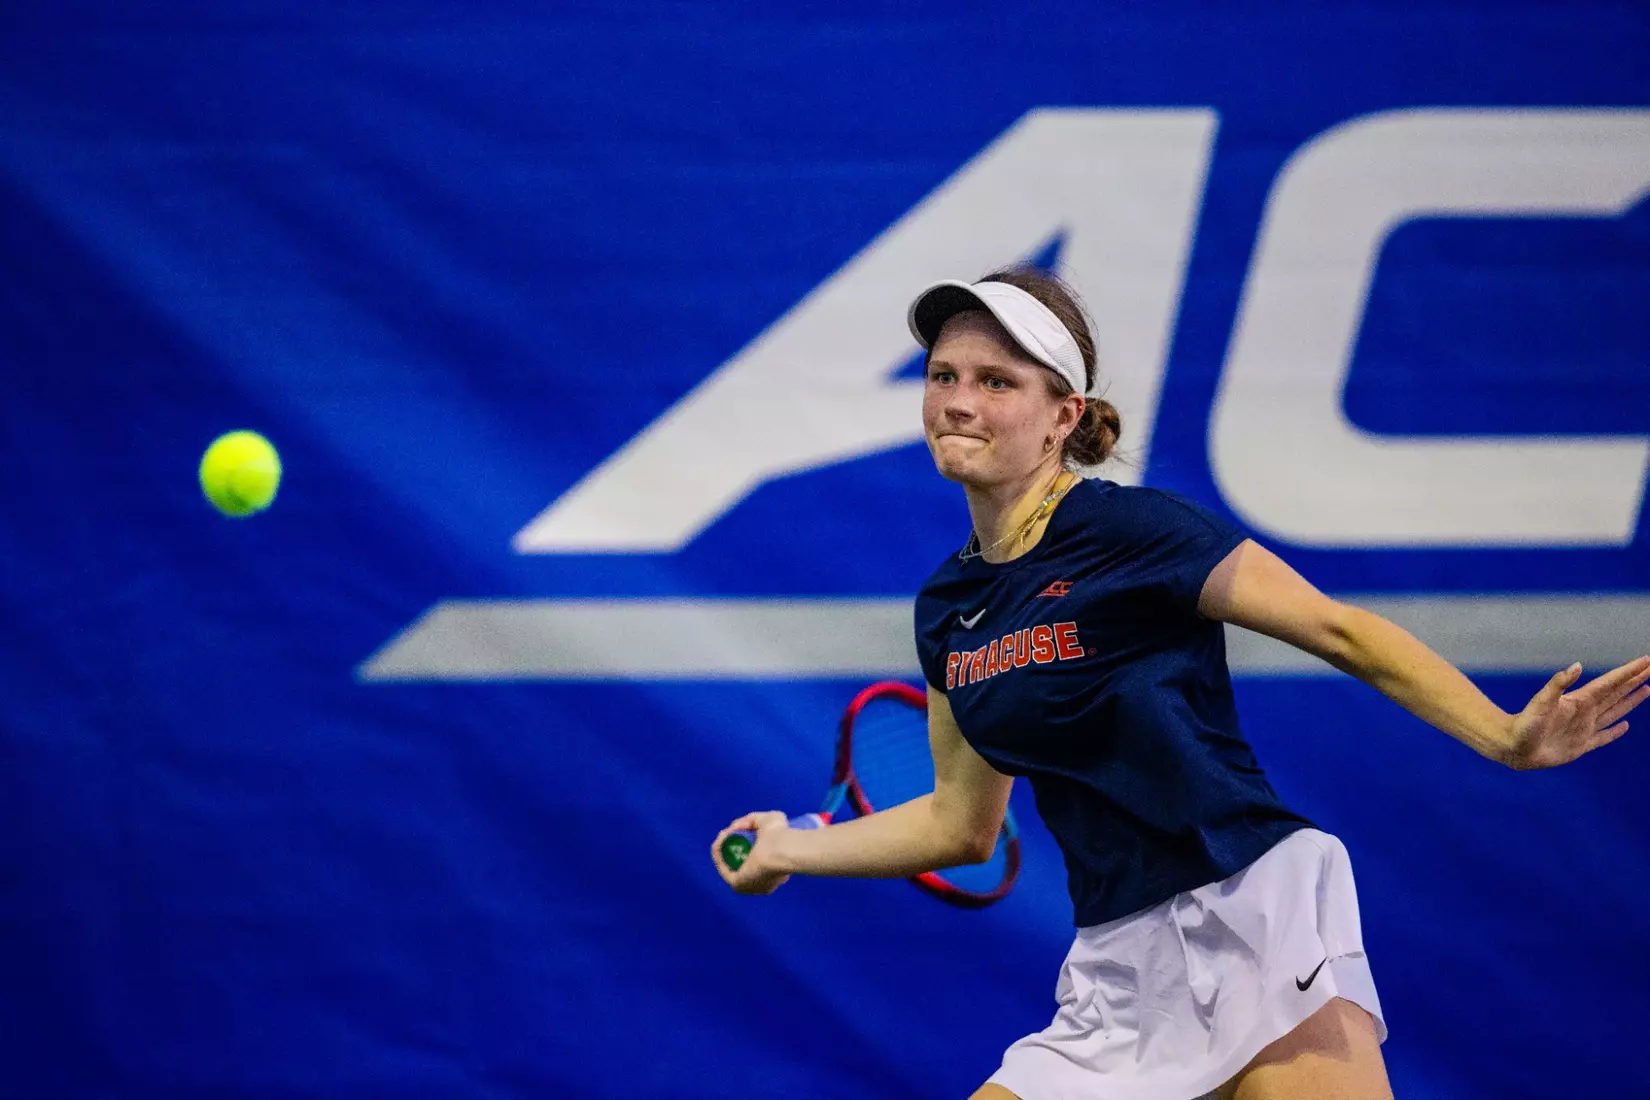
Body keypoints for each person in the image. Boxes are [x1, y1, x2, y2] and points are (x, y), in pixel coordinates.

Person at [711, 266, 1650, 1100]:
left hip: (1252, 906)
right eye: (943, 376)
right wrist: (794, 849)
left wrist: (1504, 736)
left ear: (1062, 417)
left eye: (997, 382)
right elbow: (961, 826)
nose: (958, 401)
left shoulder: (1137, 532)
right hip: (1118, 968)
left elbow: (1341, 630)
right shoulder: (948, 609)